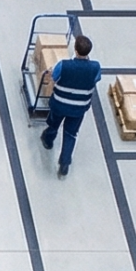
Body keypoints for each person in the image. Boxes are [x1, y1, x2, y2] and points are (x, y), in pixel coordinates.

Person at [40, 34, 103, 178]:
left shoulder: (63, 65)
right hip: (79, 108)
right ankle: (64, 163)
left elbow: (54, 79)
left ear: (75, 50)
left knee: (54, 124)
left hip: (59, 104)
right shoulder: (95, 67)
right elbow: (96, 79)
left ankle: (48, 140)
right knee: (70, 134)